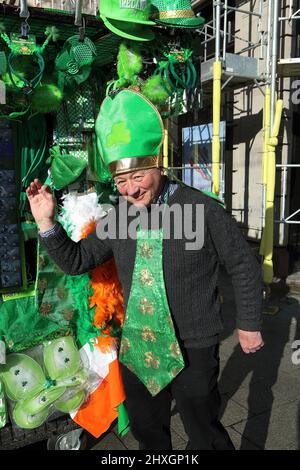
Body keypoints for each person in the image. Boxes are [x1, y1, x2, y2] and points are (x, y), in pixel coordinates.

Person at [26, 90, 264, 450]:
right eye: (121, 182)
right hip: (138, 345)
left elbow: (242, 264)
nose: (132, 189)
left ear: (158, 164)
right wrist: (46, 224)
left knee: (203, 430)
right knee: (147, 431)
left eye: (138, 176)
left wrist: (248, 323)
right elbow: (77, 260)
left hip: (194, 344)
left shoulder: (202, 209)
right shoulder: (117, 216)